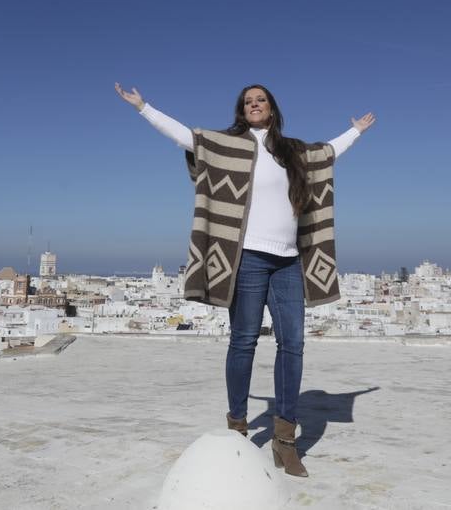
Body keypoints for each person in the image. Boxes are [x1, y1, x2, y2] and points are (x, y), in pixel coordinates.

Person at [114, 81, 375, 478]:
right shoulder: (227, 145)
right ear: (242, 109)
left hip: (289, 261)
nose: (255, 105)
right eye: (248, 101)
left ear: (272, 108)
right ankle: (237, 426)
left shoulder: (293, 152)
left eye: (261, 100)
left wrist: (355, 130)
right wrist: (143, 107)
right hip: (248, 258)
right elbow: (187, 136)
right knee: (244, 341)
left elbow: (329, 153)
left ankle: (284, 440)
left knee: (294, 345)